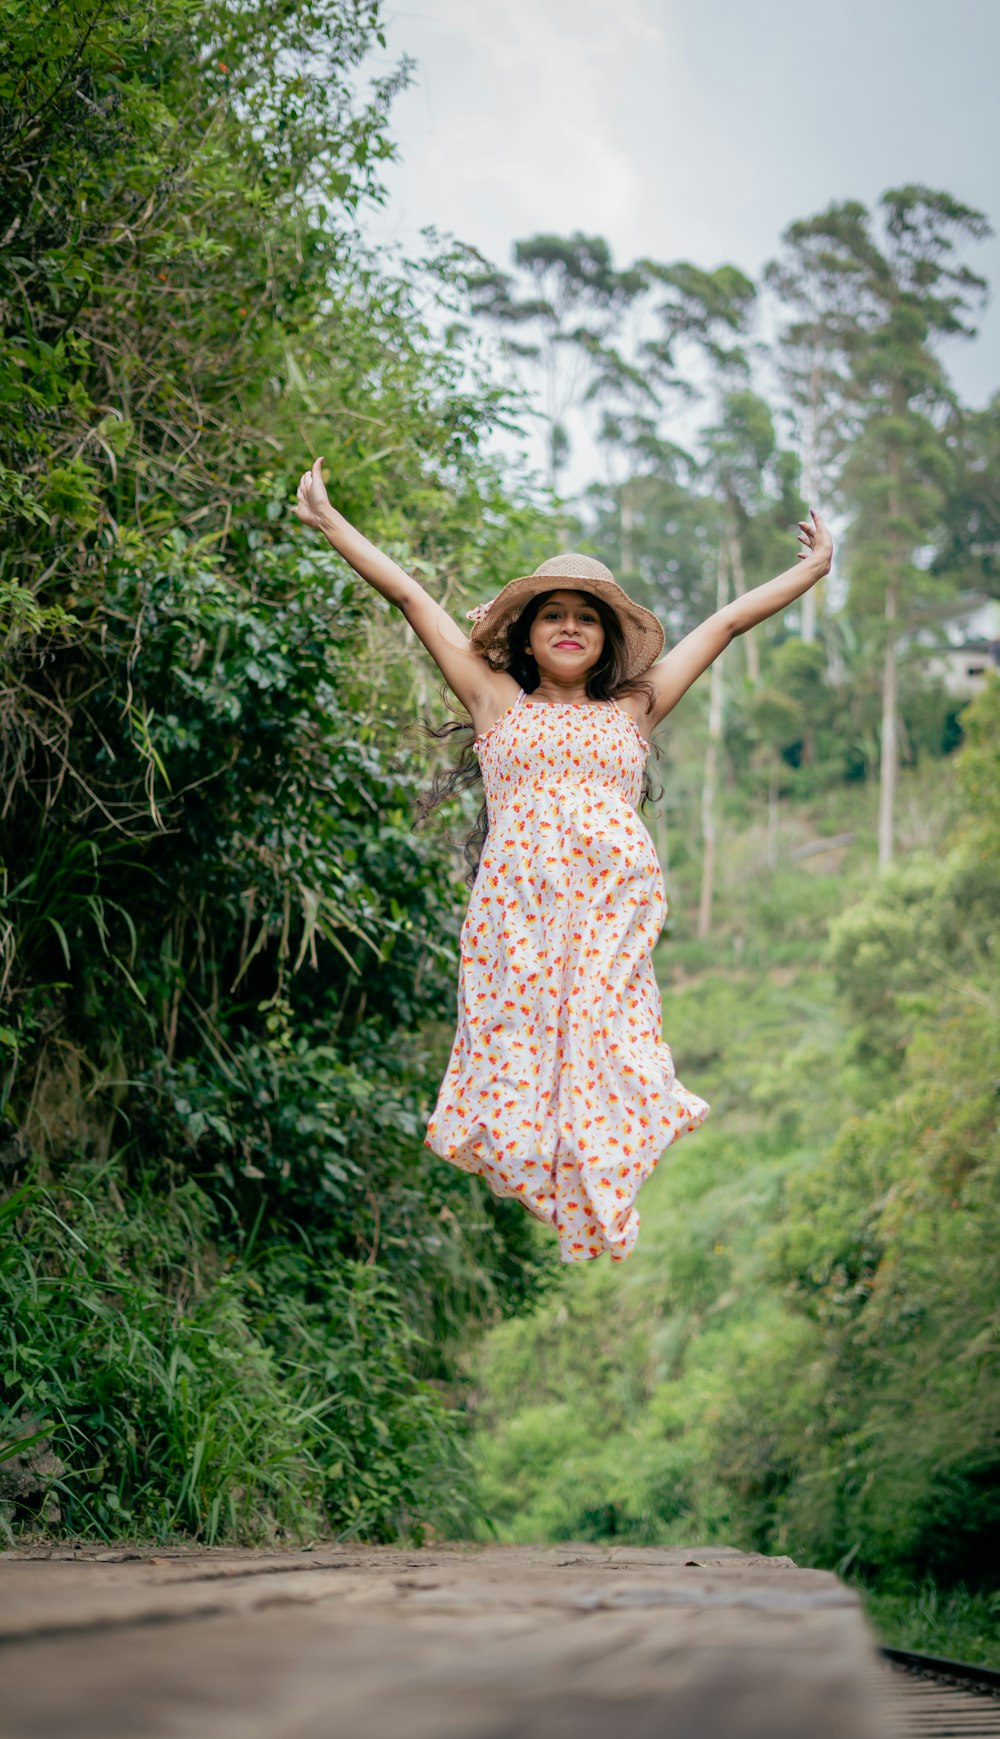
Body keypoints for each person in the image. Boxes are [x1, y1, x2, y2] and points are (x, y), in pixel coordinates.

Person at [295, 458, 833, 1262]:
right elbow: (411, 597)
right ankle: (538, 1180)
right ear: (529, 631)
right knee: (516, 1061)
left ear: (609, 637)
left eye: (587, 615)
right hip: (519, 919)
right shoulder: (492, 699)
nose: (571, 625)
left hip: (610, 915)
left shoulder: (635, 706)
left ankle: (602, 1182)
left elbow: (722, 626)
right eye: (555, 614)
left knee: (610, 1053)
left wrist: (812, 570)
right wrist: (332, 522)